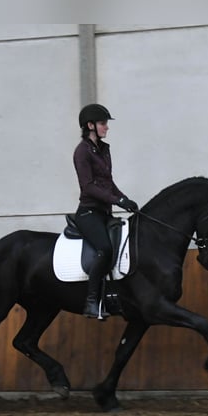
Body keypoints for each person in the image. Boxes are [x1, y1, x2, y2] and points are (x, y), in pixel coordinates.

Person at [73, 103, 139, 318]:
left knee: (122, 246)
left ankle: (113, 296)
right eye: (103, 124)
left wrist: (125, 199)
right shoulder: (82, 151)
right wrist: (117, 200)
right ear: (90, 125)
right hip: (88, 213)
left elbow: (108, 182)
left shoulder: (104, 149)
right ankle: (91, 302)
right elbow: (89, 186)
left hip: (105, 212)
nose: (106, 128)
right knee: (105, 248)